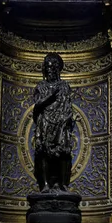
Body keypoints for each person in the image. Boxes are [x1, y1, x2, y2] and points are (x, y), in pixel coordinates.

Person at [32, 53, 74, 193]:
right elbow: (38, 103)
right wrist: (51, 95)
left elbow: (68, 105)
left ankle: (61, 184)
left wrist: (65, 119)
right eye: (48, 69)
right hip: (45, 121)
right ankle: (44, 185)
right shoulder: (41, 86)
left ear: (57, 70)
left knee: (62, 152)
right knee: (43, 152)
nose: (50, 71)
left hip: (61, 121)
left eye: (53, 69)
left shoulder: (64, 85)